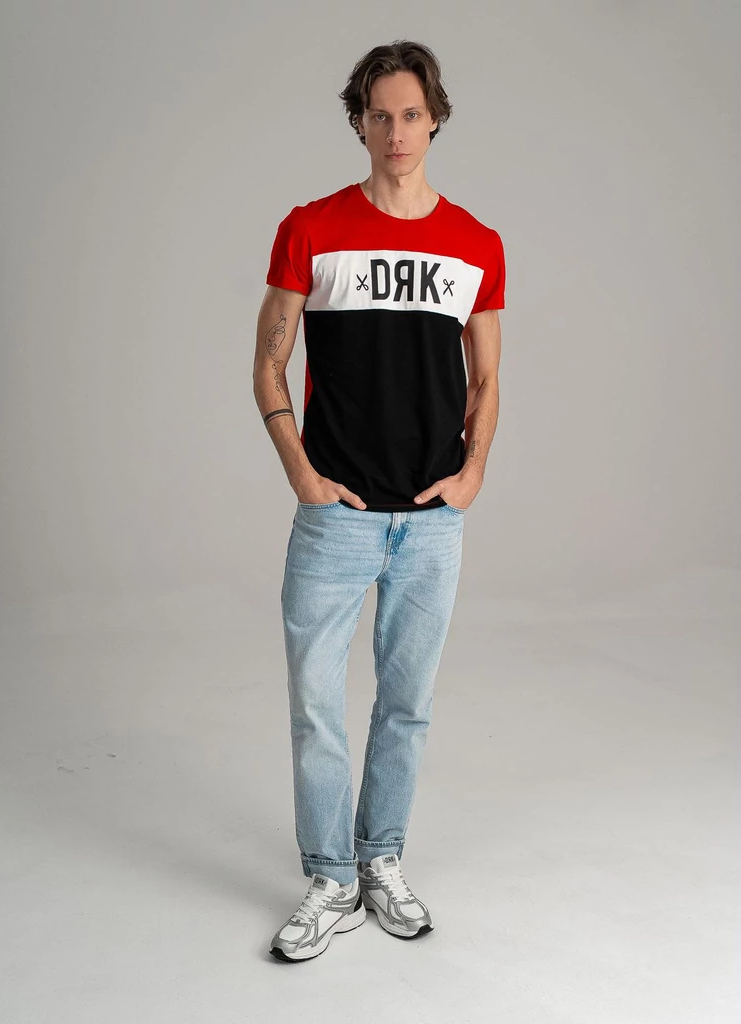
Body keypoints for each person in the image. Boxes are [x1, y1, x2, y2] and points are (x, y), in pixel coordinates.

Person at [252, 39, 506, 963]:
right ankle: (330, 878)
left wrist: (473, 475)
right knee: (315, 706)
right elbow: (268, 361)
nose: (395, 131)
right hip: (337, 515)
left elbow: (487, 378)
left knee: (407, 705)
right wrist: (300, 472)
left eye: (410, 114)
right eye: (378, 115)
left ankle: (381, 860)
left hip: (432, 522)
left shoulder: (477, 244)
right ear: (358, 122)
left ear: (434, 120)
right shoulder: (310, 228)